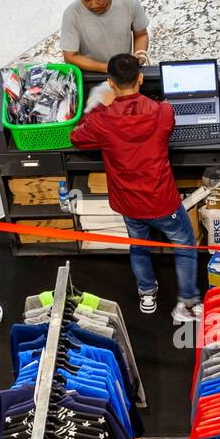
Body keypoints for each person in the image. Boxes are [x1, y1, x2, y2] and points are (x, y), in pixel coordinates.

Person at [69, 53, 201, 322]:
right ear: (140, 77)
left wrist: (98, 105)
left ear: (110, 82)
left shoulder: (102, 121)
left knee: (138, 246)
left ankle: (147, 293)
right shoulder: (163, 112)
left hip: (129, 204)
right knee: (185, 246)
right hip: (162, 201)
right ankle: (187, 302)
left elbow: (76, 137)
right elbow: (165, 121)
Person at [61, 0, 150, 73]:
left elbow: (141, 34)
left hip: (124, 72)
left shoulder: (129, 2)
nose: (93, 5)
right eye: (86, 0)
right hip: (90, 73)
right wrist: (106, 68)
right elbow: (70, 56)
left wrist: (140, 53)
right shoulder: (71, 14)